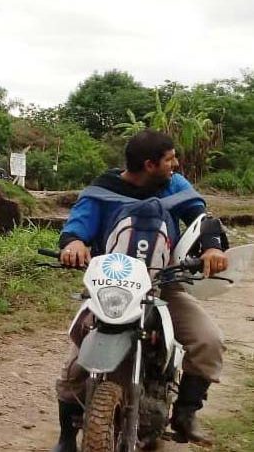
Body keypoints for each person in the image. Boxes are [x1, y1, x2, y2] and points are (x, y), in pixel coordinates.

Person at [51, 130, 229, 451]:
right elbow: (77, 225)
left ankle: (185, 414)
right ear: (149, 165)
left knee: (208, 340)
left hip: (162, 286)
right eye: (170, 159)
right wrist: (74, 243)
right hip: (110, 288)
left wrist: (213, 248)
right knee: (77, 361)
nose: (176, 164)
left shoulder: (175, 186)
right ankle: (66, 436)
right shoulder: (103, 190)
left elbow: (201, 217)